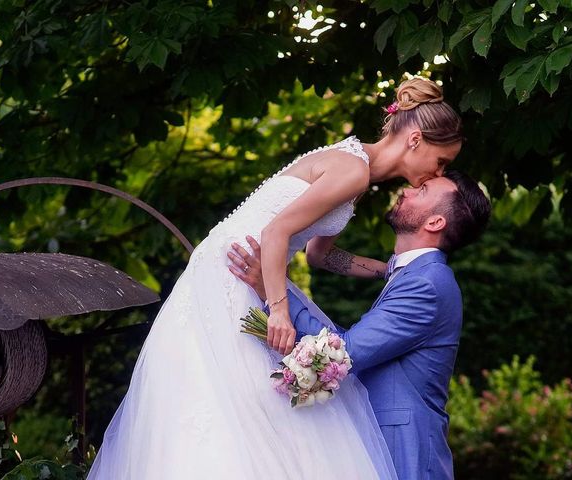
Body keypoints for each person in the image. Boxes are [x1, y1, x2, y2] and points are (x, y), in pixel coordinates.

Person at [88, 77, 463, 479]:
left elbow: (321, 255)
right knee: (238, 403)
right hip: (240, 268)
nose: (435, 174)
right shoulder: (353, 170)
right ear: (415, 140)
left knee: (244, 403)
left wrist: (389, 271)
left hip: (250, 266)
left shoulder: (358, 174)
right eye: (441, 162)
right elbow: (274, 233)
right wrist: (279, 310)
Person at [229, 170, 491, 479]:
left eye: (422, 190)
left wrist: (274, 291)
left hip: (405, 450)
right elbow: (319, 255)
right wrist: (354, 178)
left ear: (435, 223)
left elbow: (344, 351)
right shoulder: (409, 272)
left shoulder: (427, 284)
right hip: (382, 441)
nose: (407, 191)